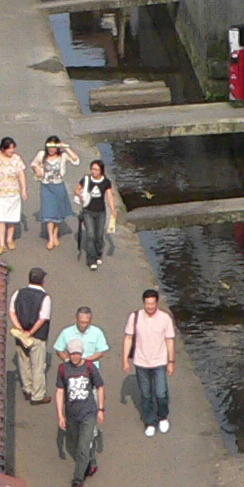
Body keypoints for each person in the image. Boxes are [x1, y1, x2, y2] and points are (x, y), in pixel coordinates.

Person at [53, 307, 110, 487]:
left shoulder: (90, 367)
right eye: (73, 353)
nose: (76, 356)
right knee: (77, 443)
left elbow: (100, 386)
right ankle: (91, 462)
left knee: (83, 445)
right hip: (72, 412)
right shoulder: (63, 369)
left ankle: (77, 482)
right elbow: (60, 392)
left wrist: (100, 409)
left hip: (88, 410)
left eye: (78, 353)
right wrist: (60, 414)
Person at [124, 287, 179, 437]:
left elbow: (169, 340)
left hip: (159, 361)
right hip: (141, 361)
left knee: (161, 393)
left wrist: (171, 361)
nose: (150, 307)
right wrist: (125, 360)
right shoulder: (135, 317)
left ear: (157, 303)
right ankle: (149, 421)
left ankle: (162, 416)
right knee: (146, 394)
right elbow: (128, 338)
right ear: (143, 303)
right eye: (147, 304)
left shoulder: (165, 318)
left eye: (152, 304)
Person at [9, 267, 51, 404]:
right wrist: (31, 332)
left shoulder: (18, 293)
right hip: (37, 336)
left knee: (23, 362)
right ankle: (37, 395)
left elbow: (12, 312)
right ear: (43, 281)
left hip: (21, 335)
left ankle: (27, 389)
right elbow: (42, 318)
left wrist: (20, 329)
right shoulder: (45, 298)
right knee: (37, 366)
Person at [0, 136, 30, 255]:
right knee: (0, 218)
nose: (12, 151)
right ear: (3, 148)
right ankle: (1, 244)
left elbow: (21, 175)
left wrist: (24, 190)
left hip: (13, 193)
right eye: (9, 149)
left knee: (12, 218)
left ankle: (9, 239)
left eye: (13, 148)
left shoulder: (16, 159)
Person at [36, 135, 77, 251]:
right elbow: (34, 164)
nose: (51, 149)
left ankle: (55, 234)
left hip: (59, 185)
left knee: (58, 212)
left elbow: (76, 160)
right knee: (49, 212)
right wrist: (37, 170)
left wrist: (66, 147)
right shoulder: (42, 154)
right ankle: (50, 237)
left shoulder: (63, 156)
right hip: (46, 186)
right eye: (49, 146)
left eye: (54, 146)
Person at [75, 157, 117, 269]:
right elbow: (77, 189)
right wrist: (80, 196)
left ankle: (98, 254)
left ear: (101, 171)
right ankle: (91, 260)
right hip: (88, 211)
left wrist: (113, 209)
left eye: (96, 169)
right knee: (91, 235)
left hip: (101, 212)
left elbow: (109, 196)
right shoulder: (86, 179)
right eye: (92, 169)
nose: (93, 171)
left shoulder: (106, 182)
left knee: (99, 236)